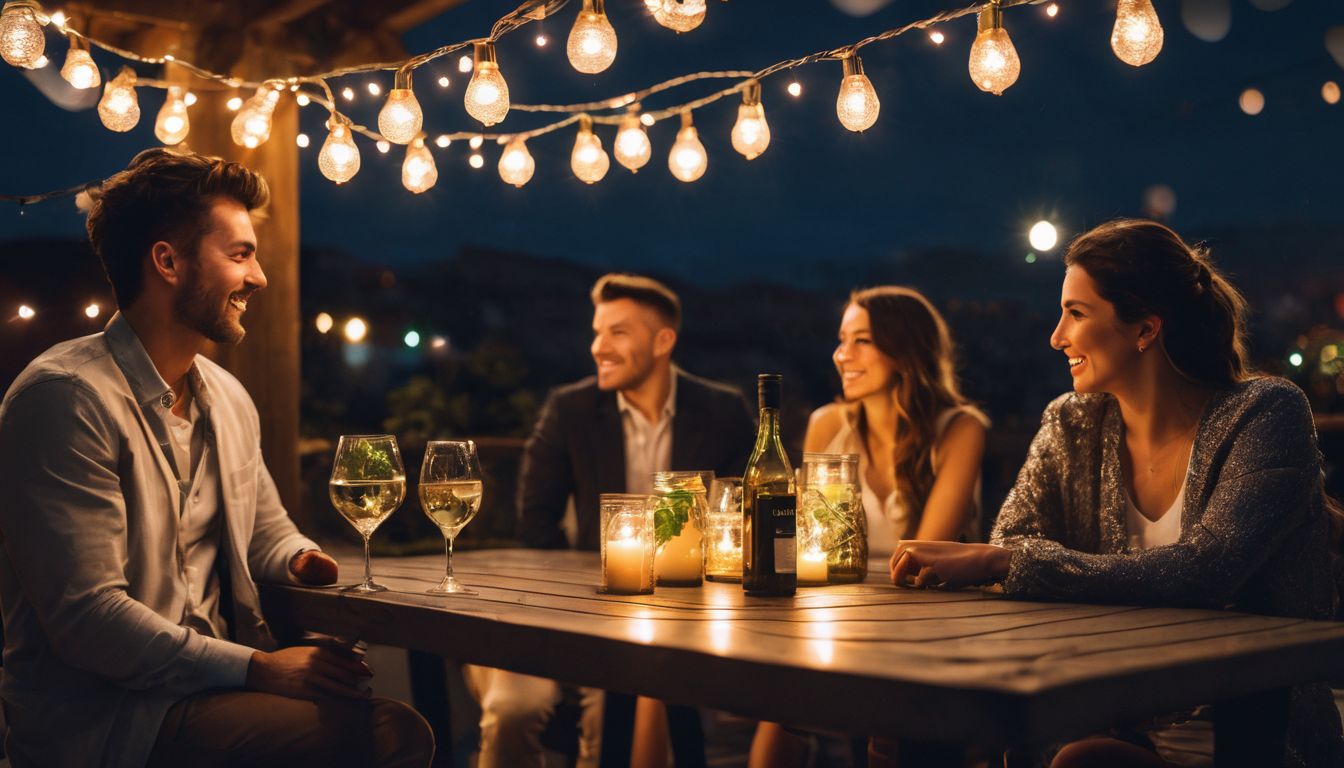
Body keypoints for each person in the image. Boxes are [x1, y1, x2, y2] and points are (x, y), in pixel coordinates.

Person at [0, 149, 434, 768]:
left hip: (205, 690)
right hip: (111, 720)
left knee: (370, 707)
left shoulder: (227, 397)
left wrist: (301, 558)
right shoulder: (64, 398)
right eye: (240, 254)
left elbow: (265, 529)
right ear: (168, 262)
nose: (258, 277)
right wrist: (259, 668)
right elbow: (88, 620)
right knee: (392, 734)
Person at [889, 219, 1344, 767]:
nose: (1056, 336)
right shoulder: (1073, 421)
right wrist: (1009, 558)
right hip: (1121, 725)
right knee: (920, 734)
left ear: (1145, 330)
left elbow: (1208, 568)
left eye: (1076, 313)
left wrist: (1007, 561)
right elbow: (1015, 535)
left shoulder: (1265, 413)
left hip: (1257, 740)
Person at [464, 273, 755, 767]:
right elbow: (535, 527)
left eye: (618, 332)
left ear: (663, 341)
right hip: (569, 614)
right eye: (597, 332)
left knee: (616, 705)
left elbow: (748, 522)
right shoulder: (570, 409)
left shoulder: (723, 412)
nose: (599, 347)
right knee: (514, 708)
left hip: (682, 622)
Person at [749, 286, 988, 768]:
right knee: (778, 694)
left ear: (904, 349)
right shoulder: (826, 425)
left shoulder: (959, 429)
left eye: (862, 341)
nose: (842, 355)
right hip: (839, 613)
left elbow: (922, 558)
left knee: (888, 724)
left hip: (928, 630)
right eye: (841, 340)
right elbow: (802, 540)